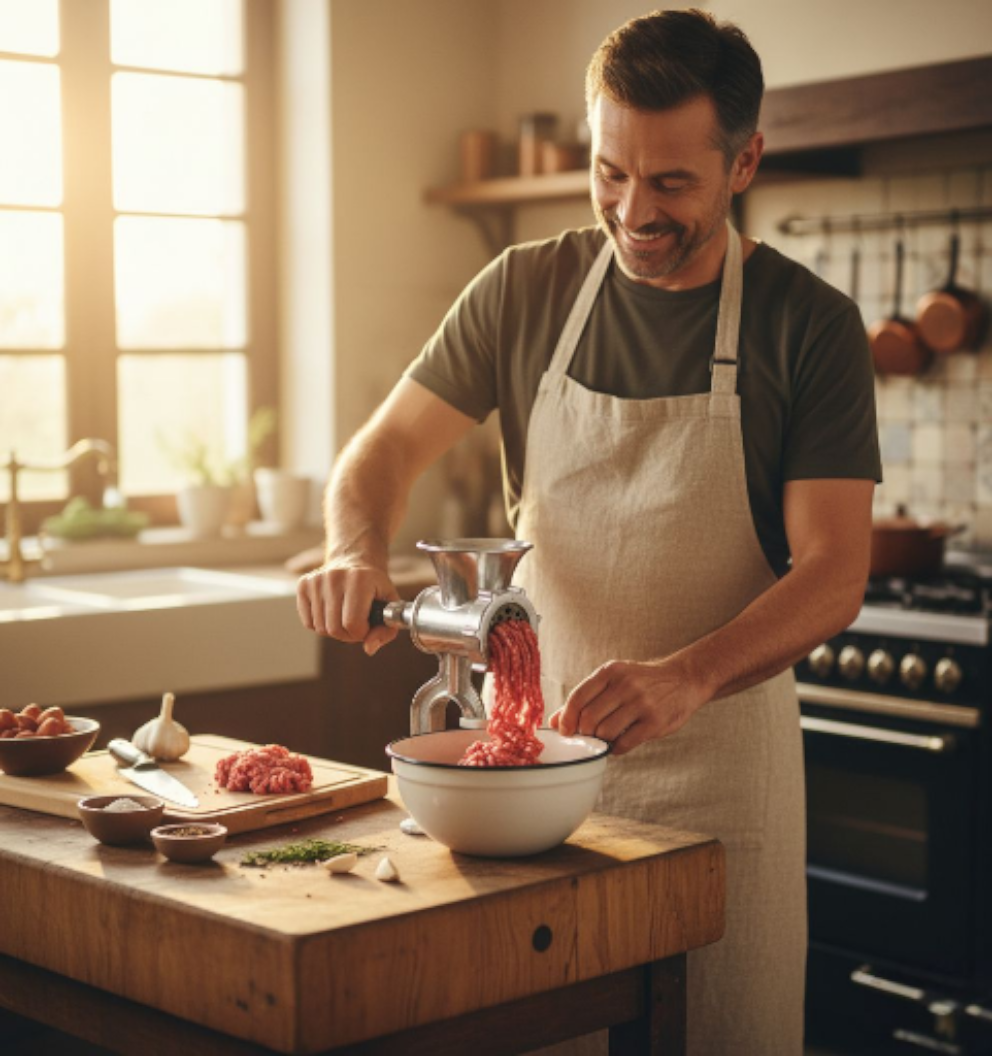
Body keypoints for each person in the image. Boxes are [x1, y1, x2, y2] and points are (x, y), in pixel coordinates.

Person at [296, 9, 881, 1054]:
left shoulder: (806, 324)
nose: (630, 211)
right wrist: (354, 549)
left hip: (720, 786)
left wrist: (687, 675)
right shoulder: (526, 287)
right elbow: (376, 455)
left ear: (744, 159)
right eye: (609, 174)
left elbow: (835, 572)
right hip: (530, 773)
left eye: (669, 184)